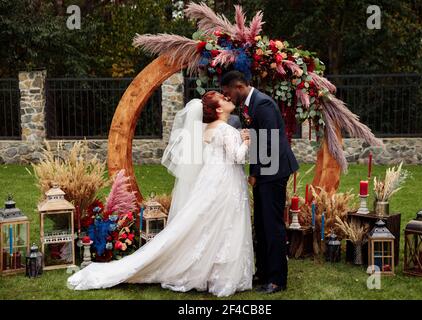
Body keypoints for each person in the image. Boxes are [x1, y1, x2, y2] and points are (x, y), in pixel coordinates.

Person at [67, 91, 254, 297]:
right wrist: (246, 141)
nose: (228, 99)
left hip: (210, 181)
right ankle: (220, 275)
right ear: (218, 109)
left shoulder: (208, 129)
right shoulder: (226, 129)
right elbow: (236, 158)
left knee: (206, 225)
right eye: (224, 99)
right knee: (224, 225)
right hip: (225, 183)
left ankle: (206, 271)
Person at [221, 70, 299, 294]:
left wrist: (255, 172)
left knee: (272, 225)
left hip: (273, 172)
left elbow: (268, 143)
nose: (227, 97)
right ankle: (263, 272)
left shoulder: (262, 104)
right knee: (262, 225)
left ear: (238, 87)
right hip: (265, 171)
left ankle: (277, 279)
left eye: (228, 93)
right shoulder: (250, 103)